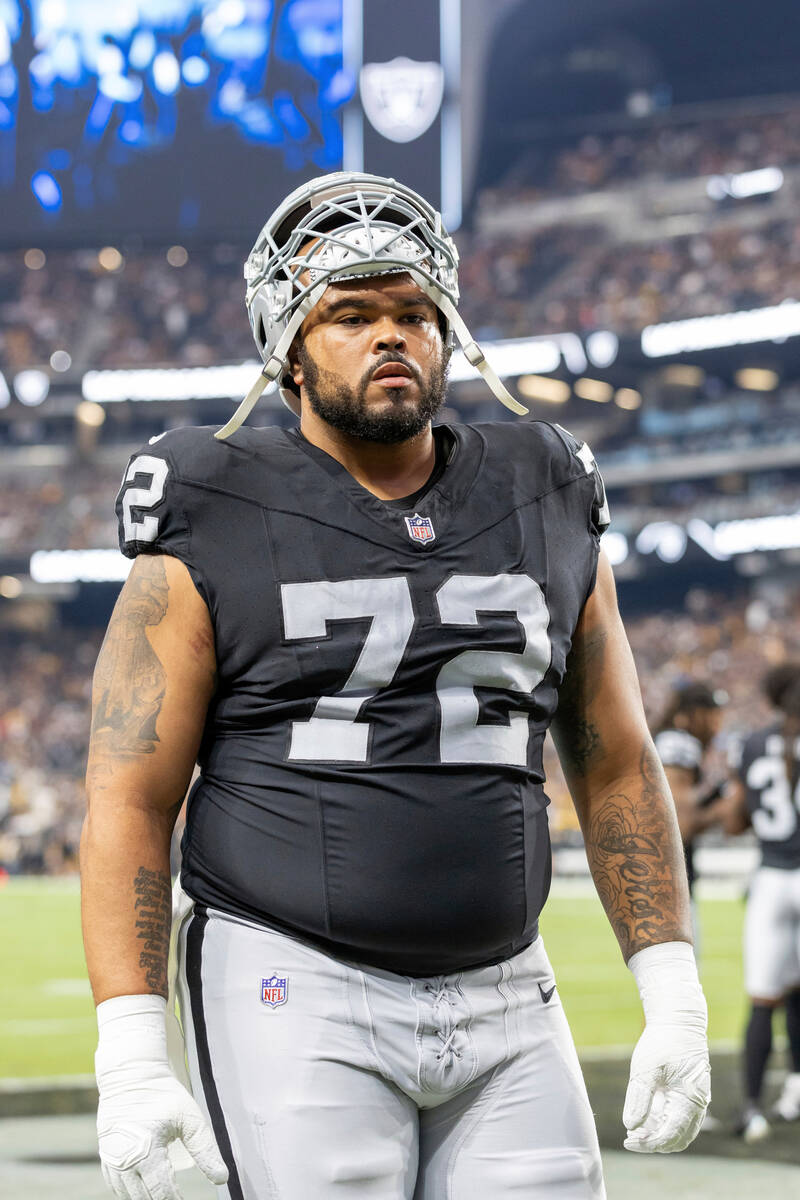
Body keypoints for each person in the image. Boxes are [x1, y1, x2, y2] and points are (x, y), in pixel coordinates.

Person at [81, 172, 710, 1200]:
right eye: (352, 315)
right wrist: (130, 1049)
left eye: (414, 313)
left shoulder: (544, 484)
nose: (392, 337)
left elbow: (614, 759)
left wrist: (672, 991)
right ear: (288, 343)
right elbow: (129, 794)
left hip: (509, 986)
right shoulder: (211, 496)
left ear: (449, 331)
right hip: (291, 980)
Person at [723, 664, 800, 1143]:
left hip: (770, 879)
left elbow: (734, 821)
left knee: (763, 1001)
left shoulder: (751, 744)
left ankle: (750, 1109)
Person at [653, 682, 728, 907]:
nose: (717, 726)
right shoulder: (678, 743)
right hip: (665, 880)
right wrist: (723, 808)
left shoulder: (667, 738)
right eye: (713, 716)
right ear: (696, 714)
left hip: (657, 873)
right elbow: (680, 826)